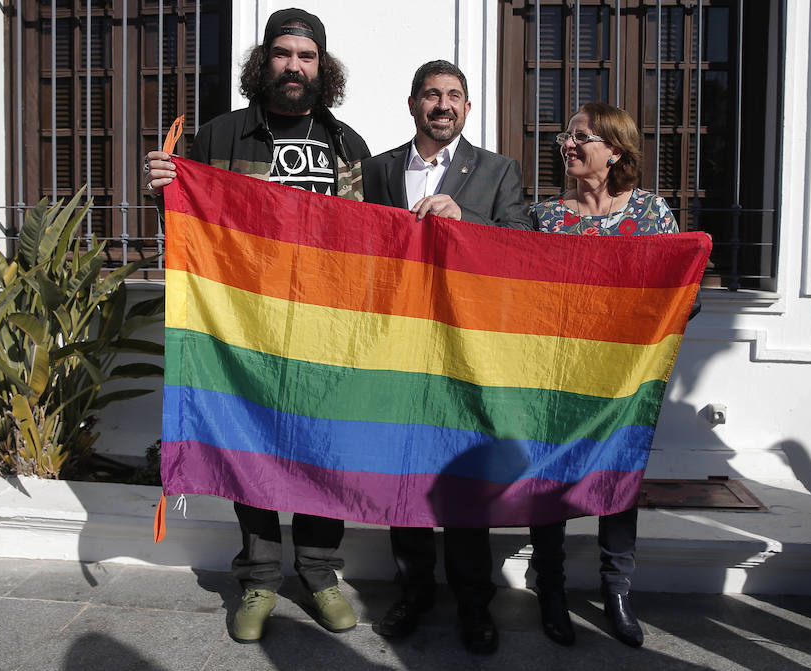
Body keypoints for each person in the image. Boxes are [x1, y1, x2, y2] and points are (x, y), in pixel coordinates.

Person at [144, 8, 370, 643]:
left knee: (327, 448)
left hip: (328, 328)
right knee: (255, 446)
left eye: (306, 55)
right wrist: (165, 187)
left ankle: (322, 574)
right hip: (247, 326)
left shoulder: (348, 144)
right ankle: (260, 579)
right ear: (262, 61)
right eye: (282, 53)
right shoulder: (219, 138)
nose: (294, 65)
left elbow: (370, 242)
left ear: (322, 67)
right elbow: (189, 230)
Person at [362, 59, 531, 655]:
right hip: (400, 348)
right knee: (404, 475)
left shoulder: (497, 170)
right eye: (431, 95)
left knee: (463, 477)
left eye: (453, 96)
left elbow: (519, 243)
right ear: (412, 105)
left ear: (468, 107)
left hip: (467, 350)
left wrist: (467, 221)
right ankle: (413, 590)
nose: (442, 105)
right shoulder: (378, 169)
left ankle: (472, 600)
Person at [528, 101, 679, 649]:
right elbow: (528, 298)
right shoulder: (545, 218)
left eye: (581, 137)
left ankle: (617, 592)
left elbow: (679, 293)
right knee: (551, 479)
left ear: (614, 151)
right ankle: (551, 590)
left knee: (618, 481)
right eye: (565, 138)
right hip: (558, 376)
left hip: (625, 379)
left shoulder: (652, 214)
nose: (568, 145)